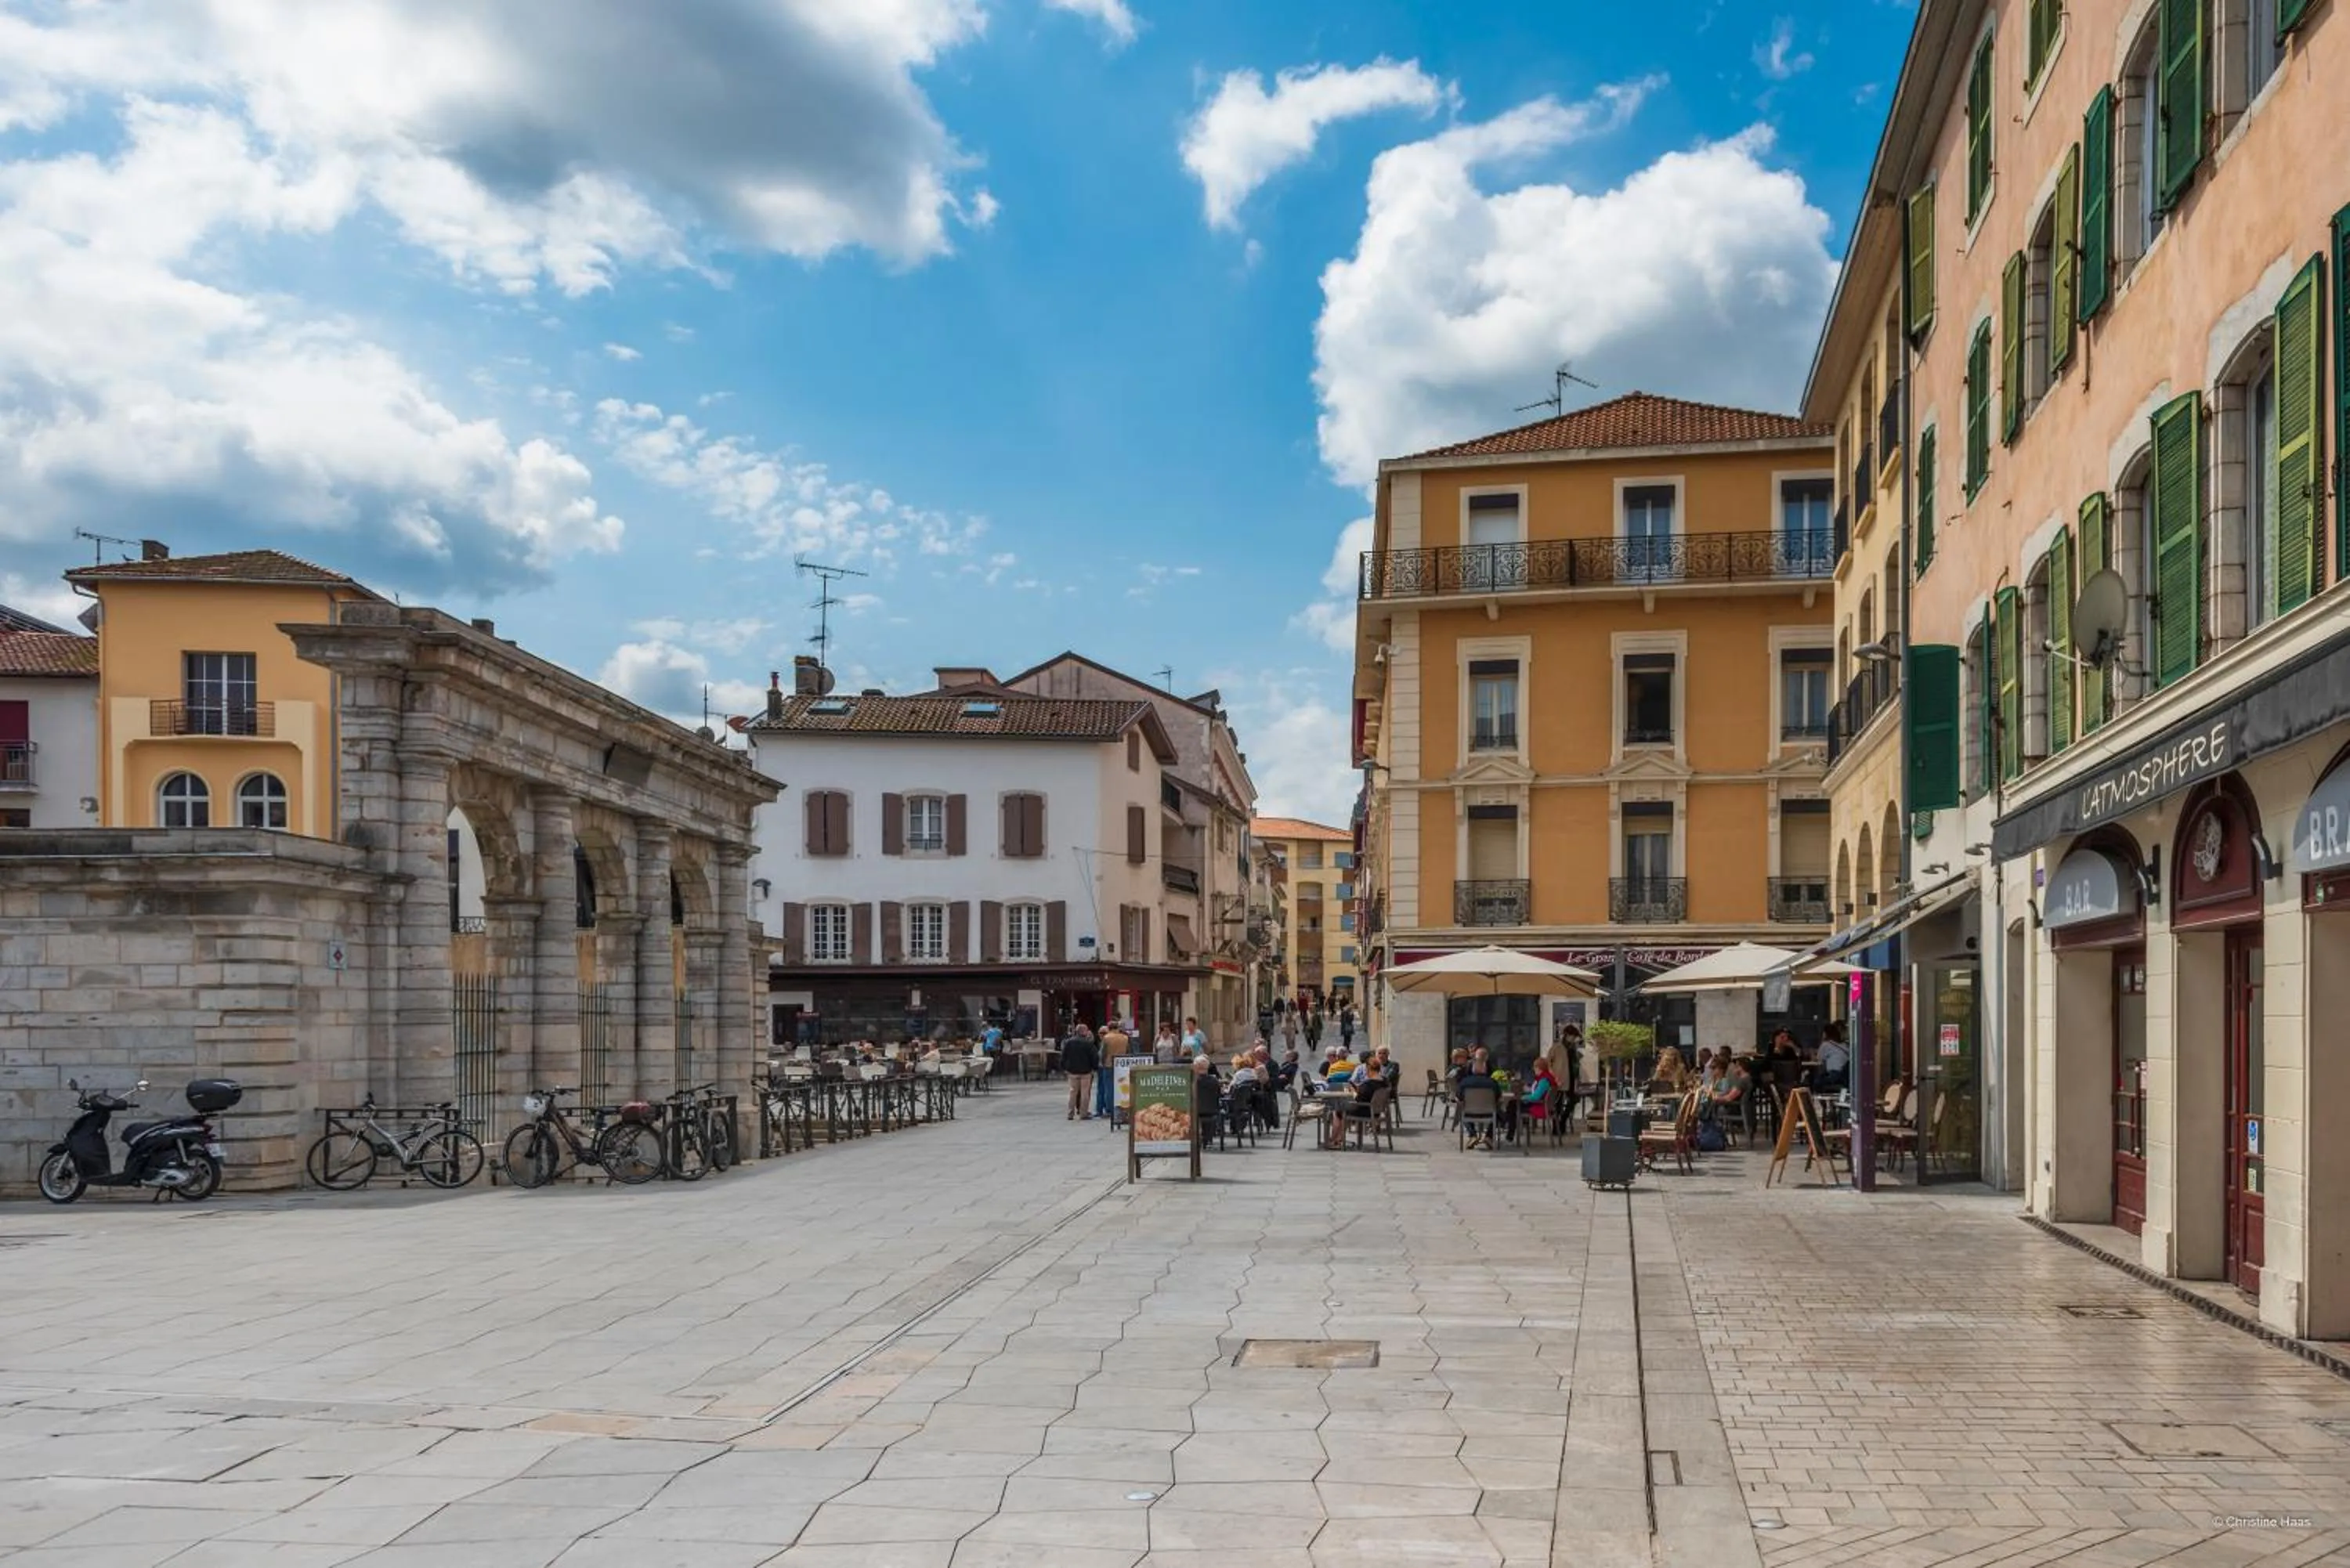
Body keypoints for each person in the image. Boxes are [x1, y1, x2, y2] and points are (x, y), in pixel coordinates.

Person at [1061, 1024, 1098, 1121]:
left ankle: (1070, 1113)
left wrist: (1064, 1068)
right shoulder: (1088, 1044)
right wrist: (1094, 1068)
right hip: (1086, 1071)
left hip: (1072, 1071)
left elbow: (1064, 1056)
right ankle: (1083, 1113)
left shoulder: (1068, 1042)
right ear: (1084, 1032)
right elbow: (1094, 1057)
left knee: (1073, 1092)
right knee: (1085, 1093)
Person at [1813, 1023, 1851, 1093]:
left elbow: (1818, 1059)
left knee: (1817, 1081)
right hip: (1846, 1076)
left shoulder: (1826, 1044)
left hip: (1834, 1075)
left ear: (1825, 1034)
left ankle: (1819, 1098)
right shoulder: (1844, 1045)